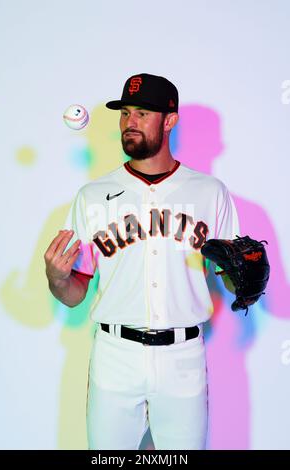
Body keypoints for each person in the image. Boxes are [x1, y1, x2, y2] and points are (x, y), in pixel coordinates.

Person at [44, 73, 239, 450]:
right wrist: (56, 278)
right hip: (115, 356)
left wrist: (243, 280)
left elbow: (231, 280)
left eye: (142, 113)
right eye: (125, 113)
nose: (129, 122)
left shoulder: (210, 193)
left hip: (183, 356)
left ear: (170, 120)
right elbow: (73, 293)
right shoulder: (92, 196)